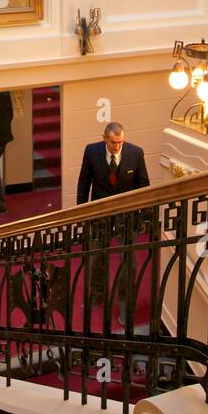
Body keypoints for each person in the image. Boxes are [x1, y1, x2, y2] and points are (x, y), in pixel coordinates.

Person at [76, 123, 150, 329]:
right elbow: (84, 183)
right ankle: (97, 295)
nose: (118, 146)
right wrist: (82, 213)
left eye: (121, 142)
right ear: (104, 139)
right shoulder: (92, 152)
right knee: (97, 258)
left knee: (128, 264)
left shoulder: (136, 153)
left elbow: (144, 186)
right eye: (113, 142)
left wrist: (142, 218)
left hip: (127, 218)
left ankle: (126, 306)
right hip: (100, 216)